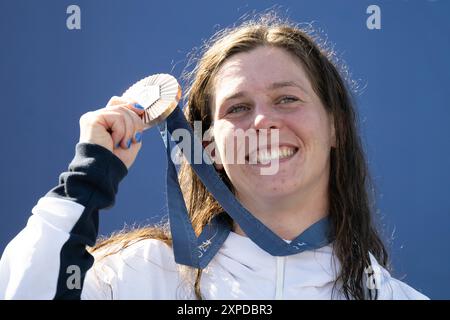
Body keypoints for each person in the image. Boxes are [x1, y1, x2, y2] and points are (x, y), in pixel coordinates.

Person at [0, 13, 428, 300]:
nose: (263, 122)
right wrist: (86, 182)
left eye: (287, 99)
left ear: (336, 127)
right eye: (238, 108)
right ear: (208, 147)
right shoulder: (139, 278)